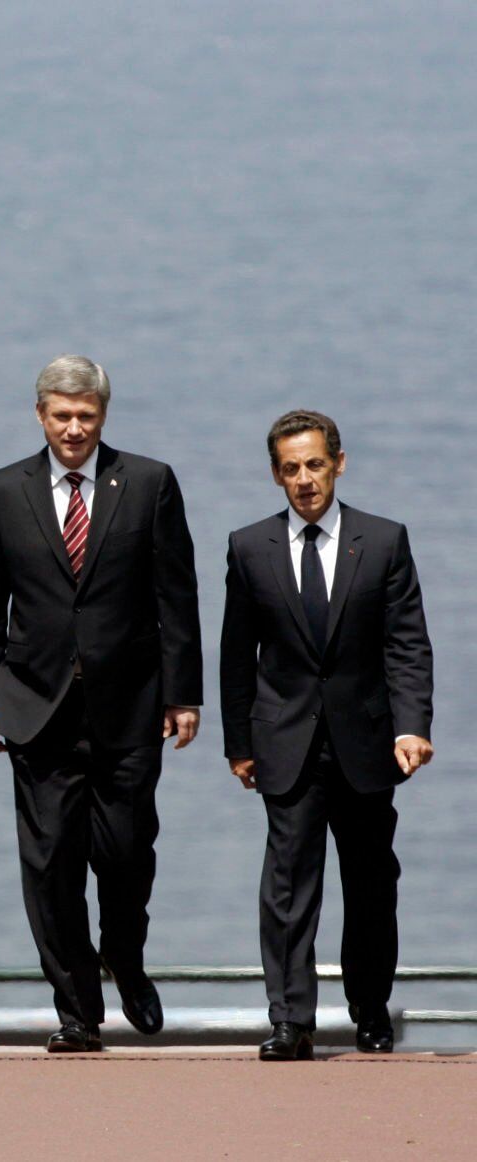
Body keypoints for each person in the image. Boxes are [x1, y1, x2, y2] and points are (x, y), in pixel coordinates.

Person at [0, 354, 202, 1052]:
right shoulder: (1, 490)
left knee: (125, 854)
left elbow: (176, 596)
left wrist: (183, 694)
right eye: (62, 416)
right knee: (50, 867)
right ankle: (77, 1011)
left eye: (86, 416)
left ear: (103, 415)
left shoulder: (149, 483)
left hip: (130, 707)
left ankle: (123, 954)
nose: (74, 429)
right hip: (35, 706)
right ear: (40, 415)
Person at [220, 409, 433, 1061]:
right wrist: (239, 744)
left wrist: (412, 726)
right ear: (275, 474)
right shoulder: (249, 546)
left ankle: (370, 1011)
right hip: (285, 742)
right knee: (287, 885)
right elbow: (236, 654)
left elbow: (406, 645)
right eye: (291, 469)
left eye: (315, 465)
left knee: (371, 883)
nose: (305, 480)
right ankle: (291, 1021)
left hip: (366, 743)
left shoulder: (384, 540)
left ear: (339, 464)